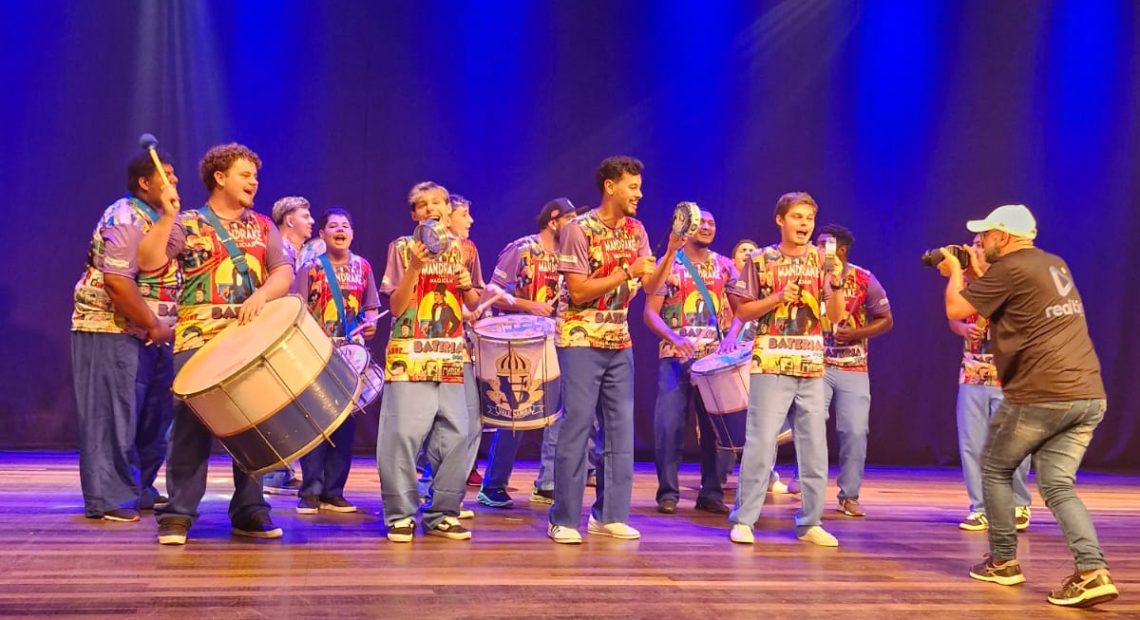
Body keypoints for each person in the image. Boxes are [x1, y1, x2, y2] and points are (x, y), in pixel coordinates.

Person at [938, 204, 1116, 608]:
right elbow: (1009, 302)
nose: (982, 241)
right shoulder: (1052, 263)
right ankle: (1093, 571)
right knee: (1057, 484)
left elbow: (957, 310)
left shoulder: (1011, 268)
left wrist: (954, 274)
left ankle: (1003, 562)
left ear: (1003, 236)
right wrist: (978, 273)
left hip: (1043, 392)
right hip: (1087, 394)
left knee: (995, 469)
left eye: (986, 235)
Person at [142, 143, 295, 545]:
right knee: (190, 426)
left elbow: (283, 272)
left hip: (250, 337)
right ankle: (178, 512)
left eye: (255, 176)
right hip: (198, 337)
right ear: (220, 177)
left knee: (253, 423)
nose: (254, 182)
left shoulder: (263, 226)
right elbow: (149, 262)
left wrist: (262, 295)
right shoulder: (188, 222)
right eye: (245, 174)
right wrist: (166, 217)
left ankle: (250, 509)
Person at [547, 156, 681, 544]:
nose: (640, 194)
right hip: (579, 338)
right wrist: (626, 271)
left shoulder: (637, 229)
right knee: (577, 424)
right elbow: (578, 291)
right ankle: (563, 518)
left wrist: (671, 251)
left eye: (640, 186)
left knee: (620, 428)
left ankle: (609, 515)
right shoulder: (577, 229)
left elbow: (651, 285)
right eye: (632, 187)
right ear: (610, 186)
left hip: (619, 339)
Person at [725, 192, 845, 547]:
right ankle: (744, 519)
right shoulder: (761, 259)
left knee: (815, 446)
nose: (804, 224)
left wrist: (837, 282)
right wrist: (777, 297)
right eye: (797, 216)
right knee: (761, 442)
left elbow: (835, 317)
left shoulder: (822, 261)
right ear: (780, 220)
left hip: (811, 364)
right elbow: (743, 311)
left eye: (809, 218)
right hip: (771, 361)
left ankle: (810, 522)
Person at [70, 149, 181, 522]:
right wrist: (152, 324)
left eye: (174, 174)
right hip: (112, 327)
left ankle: (138, 485)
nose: (174, 181)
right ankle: (110, 496)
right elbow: (117, 283)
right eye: (166, 175)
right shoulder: (124, 216)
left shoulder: (162, 218)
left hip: (154, 332)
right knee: (112, 415)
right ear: (145, 183)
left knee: (153, 417)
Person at [377, 181, 480, 542]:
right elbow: (396, 307)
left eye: (438, 202)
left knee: (457, 435)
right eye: (422, 205)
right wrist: (415, 268)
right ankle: (400, 514)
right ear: (414, 215)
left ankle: (442, 513)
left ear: (449, 210)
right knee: (403, 435)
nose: (431, 209)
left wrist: (467, 287)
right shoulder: (401, 248)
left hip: (451, 353)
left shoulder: (465, 248)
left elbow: (473, 305)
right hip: (410, 352)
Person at [476, 198, 576, 508]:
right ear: (553, 220)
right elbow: (490, 293)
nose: (576, 226)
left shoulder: (571, 255)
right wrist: (528, 305)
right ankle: (493, 484)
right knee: (516, 410)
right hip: (520, 342)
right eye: (571, 219)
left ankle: (547, 483)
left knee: (558, 411)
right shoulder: (522, 249)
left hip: (558, 338)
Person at [645, 208, 737, 515]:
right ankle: (667, 492)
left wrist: (731, 338)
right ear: (687, 226)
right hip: (675, 357)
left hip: (714, 362)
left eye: (712, 222)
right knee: (669, 425)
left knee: (715, 428)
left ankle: (711, 492)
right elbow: (650, 313)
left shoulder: (725, 266)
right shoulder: (668, 263)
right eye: (702, 222)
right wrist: (674, 338)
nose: (707, 227)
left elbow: (742, 311)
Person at [292, 207, 380, 515]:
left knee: (344, 424)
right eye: (333, 226)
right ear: (322, 234)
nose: (340, 230)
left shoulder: (363, 267)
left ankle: (334, 491)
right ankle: (310, 491)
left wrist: (371, 325)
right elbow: (297, 309)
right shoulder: (310, 268)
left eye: (345, 226)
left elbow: (371, 308)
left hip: (351, 356)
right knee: (314, 422)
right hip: (316, 353)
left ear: (352, 234)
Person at [951, 234, 1032, 532]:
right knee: (972, 444)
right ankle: (980, 508)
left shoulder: (1011, 277)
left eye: (980, 245)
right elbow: (953, 315)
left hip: (1009, 376)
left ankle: (1018, 503)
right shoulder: (966, 283)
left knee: (1013, 442)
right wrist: (963, 329)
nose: (975, 249)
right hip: (973, 373)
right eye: (973, 245)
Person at [816, 225, 893, 517]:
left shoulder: (864, 279)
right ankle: (808, 488)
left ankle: (849, 495)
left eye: (824, 244)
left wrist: (857, 333)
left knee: (855, 431)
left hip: (853, 365)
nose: (818, 248)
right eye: (817, 243)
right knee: (810, 425)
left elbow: (886, 319)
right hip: (816, 365)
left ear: (841, 250)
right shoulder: (810, 274)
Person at [261, 195, 319, 496]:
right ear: (289, 219)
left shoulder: (303, 253)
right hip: (274, 332)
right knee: (273, 401)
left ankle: (281, 469)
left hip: (293, 331)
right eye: (305, 216)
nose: (311, 221)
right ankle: (272, 471)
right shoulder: (277, 250)